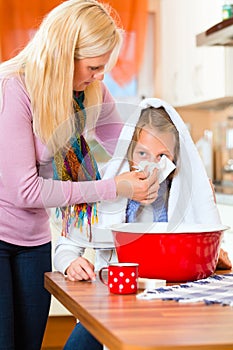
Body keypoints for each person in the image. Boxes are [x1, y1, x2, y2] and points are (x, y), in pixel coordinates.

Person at [0, 1, 159, 349]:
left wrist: (173, 170)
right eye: (94, 66)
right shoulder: (16, 89)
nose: (101, 75)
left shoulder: (90, 91)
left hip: (34, 241)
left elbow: (126, 143)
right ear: (64, 55)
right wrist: (114, 187)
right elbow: (23, 191)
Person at [54, 98, 232, 349]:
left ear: (176, 158)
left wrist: (213, 258)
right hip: (113, 305)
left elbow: (205, 250)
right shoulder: (108, 185)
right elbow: (66, 244)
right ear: (129, 152)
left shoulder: (187, 195)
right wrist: (70, 263)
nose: (151, 164)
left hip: (173, 308)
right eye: (142, 154)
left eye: (162, 156)